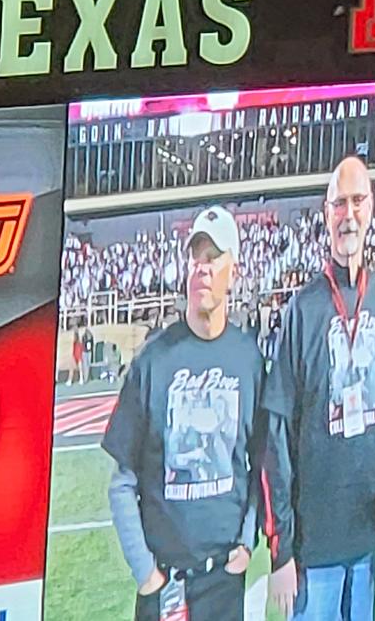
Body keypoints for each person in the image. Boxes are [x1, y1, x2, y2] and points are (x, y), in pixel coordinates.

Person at [102, 206, 265, 621]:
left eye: (214, 258)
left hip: (224, 582)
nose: (202, 269)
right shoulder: (153, 361)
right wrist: (146, 573)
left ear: (235, 271)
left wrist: (246, 543)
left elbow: (261, 461)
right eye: (196, 258)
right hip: (167, 585)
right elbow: (122, 481)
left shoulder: (248, 358)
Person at [261, 156, 375, 621]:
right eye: (338, 203)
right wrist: (280, 546)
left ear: (372, 207)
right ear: (326, 214)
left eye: (357, 200)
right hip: (315, 542)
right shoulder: (301, 311)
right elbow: (275, 433)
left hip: (367, 535)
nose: (349, 213)